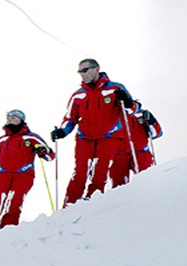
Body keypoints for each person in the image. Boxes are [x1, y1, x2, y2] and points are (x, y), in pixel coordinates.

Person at [50, 58, 134, 206]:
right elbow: (71, 118)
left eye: (85, 70)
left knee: (100, 171)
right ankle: (70, 205)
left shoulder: (115, 88)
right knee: (80, 172)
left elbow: (130, 110)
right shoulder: (78, 95)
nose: (82, 74)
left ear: (96, 69)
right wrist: (62, 131)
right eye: (80, 72)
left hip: (109, 136)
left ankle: (92, 202)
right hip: (85, 137)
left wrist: (127, 100)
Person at [0, 109, 54, 237]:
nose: (10, 120)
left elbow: (50, 156)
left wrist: (43, 150)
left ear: (21, 120)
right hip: (3, 174)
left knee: (14, 204)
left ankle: (7, 233)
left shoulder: (31, 137)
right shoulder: (2, 140)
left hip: (23, 174)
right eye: (9, 117)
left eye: (14, 118)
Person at [109, 101, 164, 187]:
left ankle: (151, 197)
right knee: (118, 186)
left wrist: (151, 122)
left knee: (148, 181)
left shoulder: (141, 114)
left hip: (141, 153)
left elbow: (157, 133)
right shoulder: (110, 115)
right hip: (118, 155)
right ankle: (122, 199)